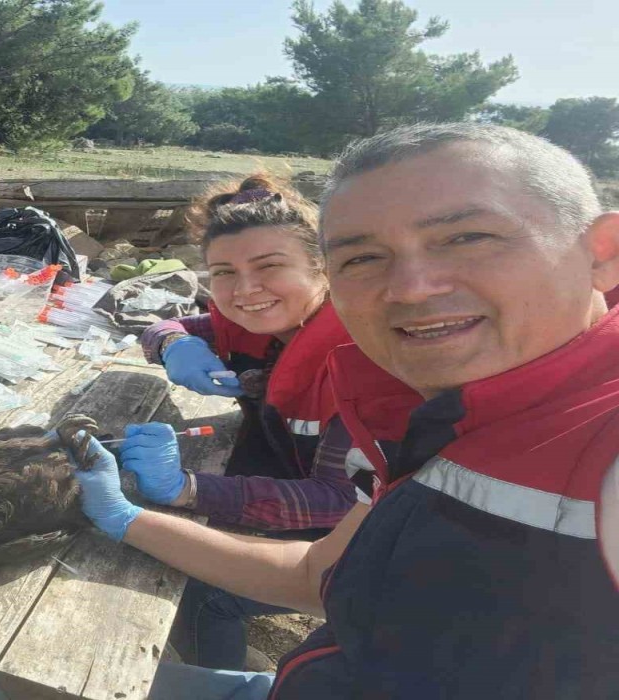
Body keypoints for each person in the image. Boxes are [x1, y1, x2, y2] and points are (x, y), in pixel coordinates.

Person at [70, 122, 619, 699]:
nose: (411, 287)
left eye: (467, 237)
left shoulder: (594, 434)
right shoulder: (456, 411)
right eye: (363, 258)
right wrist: (129, 515)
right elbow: (318, 575)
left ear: (601, 255)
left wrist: (188, 490)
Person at [136, 174, 356, 669]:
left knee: (202, 587)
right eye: (223, 272)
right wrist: (175, 345)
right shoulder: (249, 318)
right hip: (290, 472)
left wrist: (189, 489)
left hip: (369, 539)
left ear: (324, 269)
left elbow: (340, 499)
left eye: (269, 266)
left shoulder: (363, 362)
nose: (245, 289)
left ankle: (222, 678)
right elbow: (160, 326)